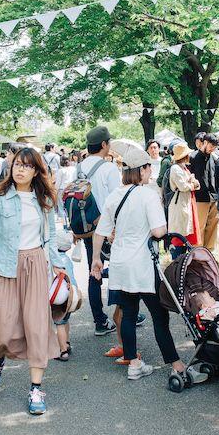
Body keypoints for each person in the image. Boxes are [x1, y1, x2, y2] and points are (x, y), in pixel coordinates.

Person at [0, 147, 69, 416]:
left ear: (36, 170)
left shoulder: (43, 199)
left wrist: (57, 265)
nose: (20, 169)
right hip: (4, 267)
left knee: (36, 326)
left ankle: (36, 388)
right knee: (4, 326)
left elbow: (49, 237)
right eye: (17, 165)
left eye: (26, 166)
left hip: (35, 265)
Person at [91, 149, 195, 382]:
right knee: (159, 316)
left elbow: (101, 232)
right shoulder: (148, 195)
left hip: (120, 263)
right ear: (141, 170)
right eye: (148, 168)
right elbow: (159, 231)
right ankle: (176, 364)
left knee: (128, 313)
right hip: (143, 266)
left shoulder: (115, 196)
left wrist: (96, 259)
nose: (150, 172)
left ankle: (134, 364)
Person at [74, 126, 122, 336]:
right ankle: (125, 313)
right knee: (120, 269)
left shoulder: (79, 167)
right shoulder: (109, 168)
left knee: (93, 271)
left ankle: (99, 321)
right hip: (108, 228)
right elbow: (117, 200)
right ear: (104, 144)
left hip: (87, 228)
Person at [189, 133, 219, 253]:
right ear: (205, 142)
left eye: (215, 147)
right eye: (211, 145)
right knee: (199, 226)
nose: (213, 149)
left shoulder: (214, 158)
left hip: (213, 196)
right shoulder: (193, 157)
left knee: (213, 225)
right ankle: (197, 252)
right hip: (199, 197)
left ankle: (209, 252)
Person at [167, 143, 200, 254]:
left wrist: (192, 183)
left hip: (186, 202)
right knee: (179, 232)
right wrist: (192, 184)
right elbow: (184, 186)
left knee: (186, 230)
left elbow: (195, 183)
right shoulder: (175, 168)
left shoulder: (184, 167)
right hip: (179, 204)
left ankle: (183, 258)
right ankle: (177, 258)